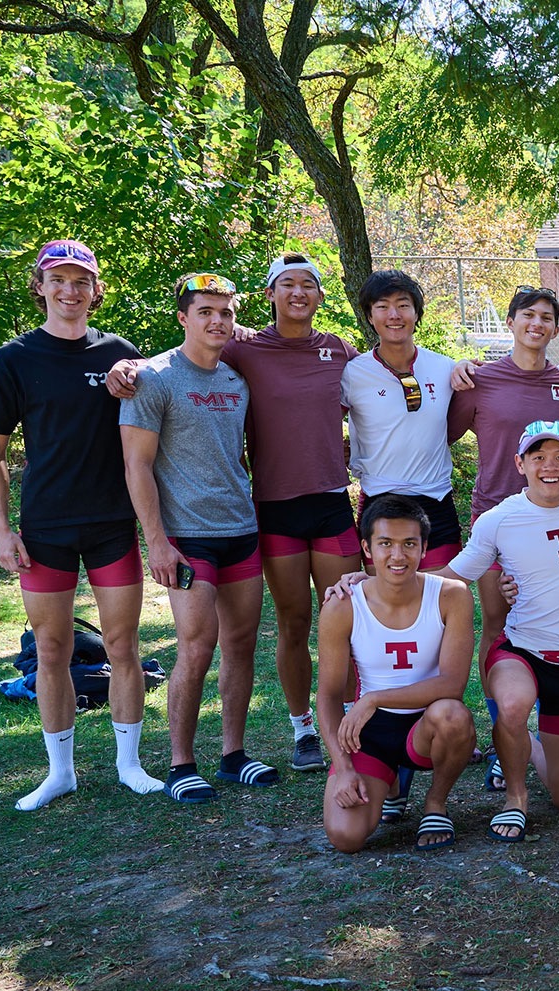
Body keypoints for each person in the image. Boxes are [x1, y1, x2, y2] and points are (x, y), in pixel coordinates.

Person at [105, 252, 364, 774]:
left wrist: (455, 372)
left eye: (308, 284)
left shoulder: (329, 352)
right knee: (263, 630)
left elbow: (386, 375)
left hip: (310, 510)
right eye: (286, 284)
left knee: (340, 623)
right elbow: (141, 454)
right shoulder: (215, 360)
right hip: (255, 516)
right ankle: (285, 736)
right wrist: (123, 367)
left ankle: (338, 727)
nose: (298, 293)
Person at [0, 239, 159, 810]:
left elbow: (150, 430)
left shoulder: (119, 352)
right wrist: (1, 530)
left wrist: (135, 374)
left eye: (81, 280)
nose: (69, 290)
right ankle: (60, 772)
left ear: (95, 289)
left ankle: (130, 764)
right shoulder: (14, 359)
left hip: (110, 523)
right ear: (40, 287)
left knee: (122, 644)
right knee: (52, 650)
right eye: (58, 279)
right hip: (45, 528)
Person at [120, 273, 279, 802]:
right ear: (184, 317)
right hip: (188, 536)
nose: (217, 321)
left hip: (241, 529)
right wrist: (156, 542)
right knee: (196, 646)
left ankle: (233, 754)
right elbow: (136, 466)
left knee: (239, 644)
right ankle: (180, 763)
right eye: (206, 311)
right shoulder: (154, 378)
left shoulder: (236, 380)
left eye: (226, 313)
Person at [444, 421, 559, 841]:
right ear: (520, 463)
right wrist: (370, 583)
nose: (549, 466)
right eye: (538, 457)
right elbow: (451, 577)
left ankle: (523, 742)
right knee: (515, 703)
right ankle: (515, 797)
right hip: (520, 649)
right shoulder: (498, 520)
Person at [447, 285, 559, 784]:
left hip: (552, 524)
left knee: (546, 622)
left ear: (554, 327)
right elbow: (440, 433)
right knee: (498, 625)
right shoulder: (478, 379)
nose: (538, 324)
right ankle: (504, 732)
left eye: (548, 317)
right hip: (496, 519)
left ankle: (548, 730)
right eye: (529, 315)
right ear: (510, 321)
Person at [315, 495, 476, 854]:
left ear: (424, 547)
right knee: (346, 836)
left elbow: (452, 684)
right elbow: (326, 695)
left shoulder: (452, 595)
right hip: (369, 733)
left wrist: (373, 698)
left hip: (427, 725)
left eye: (409, 544)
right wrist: (342, 767)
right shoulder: (343, 605)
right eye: (385, 544)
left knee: (453, 714)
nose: (397, 556)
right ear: (366, 548)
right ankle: (390, 784)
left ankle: (435, 803)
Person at [343, 270, 464, 569]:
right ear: (370, 316)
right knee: (387, 608)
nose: (394, 314)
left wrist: (465, 366)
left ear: (416, 313)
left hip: (436, 499)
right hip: (381, 500)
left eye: (403, 304)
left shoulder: (444, 367)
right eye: (382, 306)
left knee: (440, 601)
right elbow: (317, 419)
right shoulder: (351, 373)